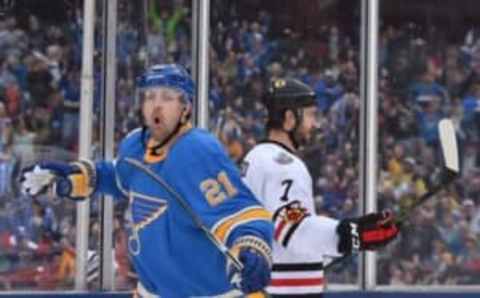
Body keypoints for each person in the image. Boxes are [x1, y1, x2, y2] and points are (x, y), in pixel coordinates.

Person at [20, 64, 273, 297]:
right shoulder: (134, 145)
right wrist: (76, 177)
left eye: (167, 97)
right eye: (150, 97)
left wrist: (251, 247)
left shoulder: (197, 151)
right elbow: (120, 177)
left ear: (185, 107)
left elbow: (238, 212)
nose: (156, 105)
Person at [241, 78, 400, 297]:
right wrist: (351, 234)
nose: (315, 124)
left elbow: (281, 239)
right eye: (310, 115)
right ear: (289, 118)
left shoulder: (256, 157)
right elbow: (294, 230)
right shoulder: (283, 165)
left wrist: (338, 243)